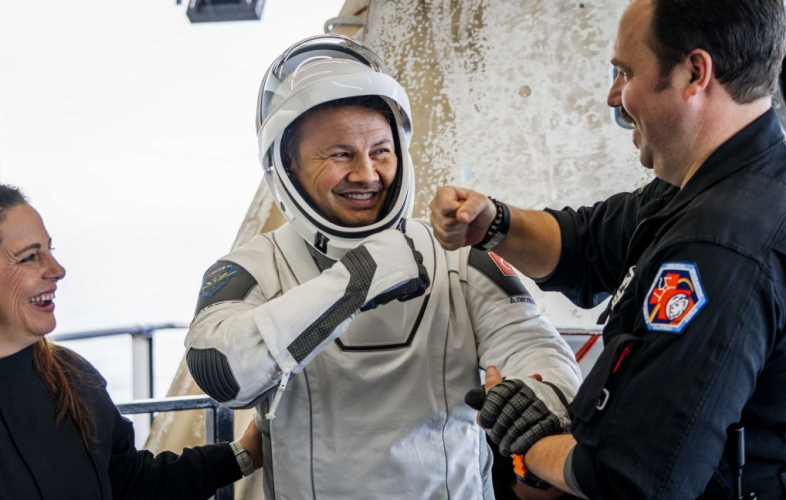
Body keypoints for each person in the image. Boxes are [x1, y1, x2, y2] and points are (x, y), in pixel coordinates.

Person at [184, 34, 581, 499]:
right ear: (287, 164)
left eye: (380, 151)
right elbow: (219, 369)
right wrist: (361, 278)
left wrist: (541, 397)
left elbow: (537, 350)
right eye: (340, 154)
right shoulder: (255, 267)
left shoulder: (458, 254)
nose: (367, 174)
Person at [429, 0, 786, 498]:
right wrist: (491, 222)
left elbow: (634, 474)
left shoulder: (719, 247)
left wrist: (533, 442)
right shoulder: (720, 186)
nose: (613, 96)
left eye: (626, 72)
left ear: (694, 73)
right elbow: (586, 245)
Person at [0, 184, 264, 499]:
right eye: (30, 257)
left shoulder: (71, 375)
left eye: (49, 250)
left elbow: (131, 482)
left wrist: (242, 454)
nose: (58, 270)